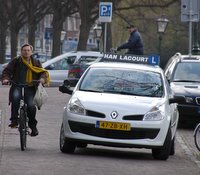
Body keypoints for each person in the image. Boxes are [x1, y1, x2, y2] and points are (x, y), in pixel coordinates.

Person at [1, 43, 50, 136]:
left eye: (28, 50)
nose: (26, 52)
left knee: (31, 106)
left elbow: (42, 72)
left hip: (31, 86)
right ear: (21, 52)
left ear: (31, 52)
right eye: (24, 50)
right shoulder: (16, 61)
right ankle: (14, 120)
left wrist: (42, 79)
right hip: (17, 85)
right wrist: (5, 79)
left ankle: (33, 126)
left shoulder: (36, 62)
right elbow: (7, 71)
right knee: (15, 98)